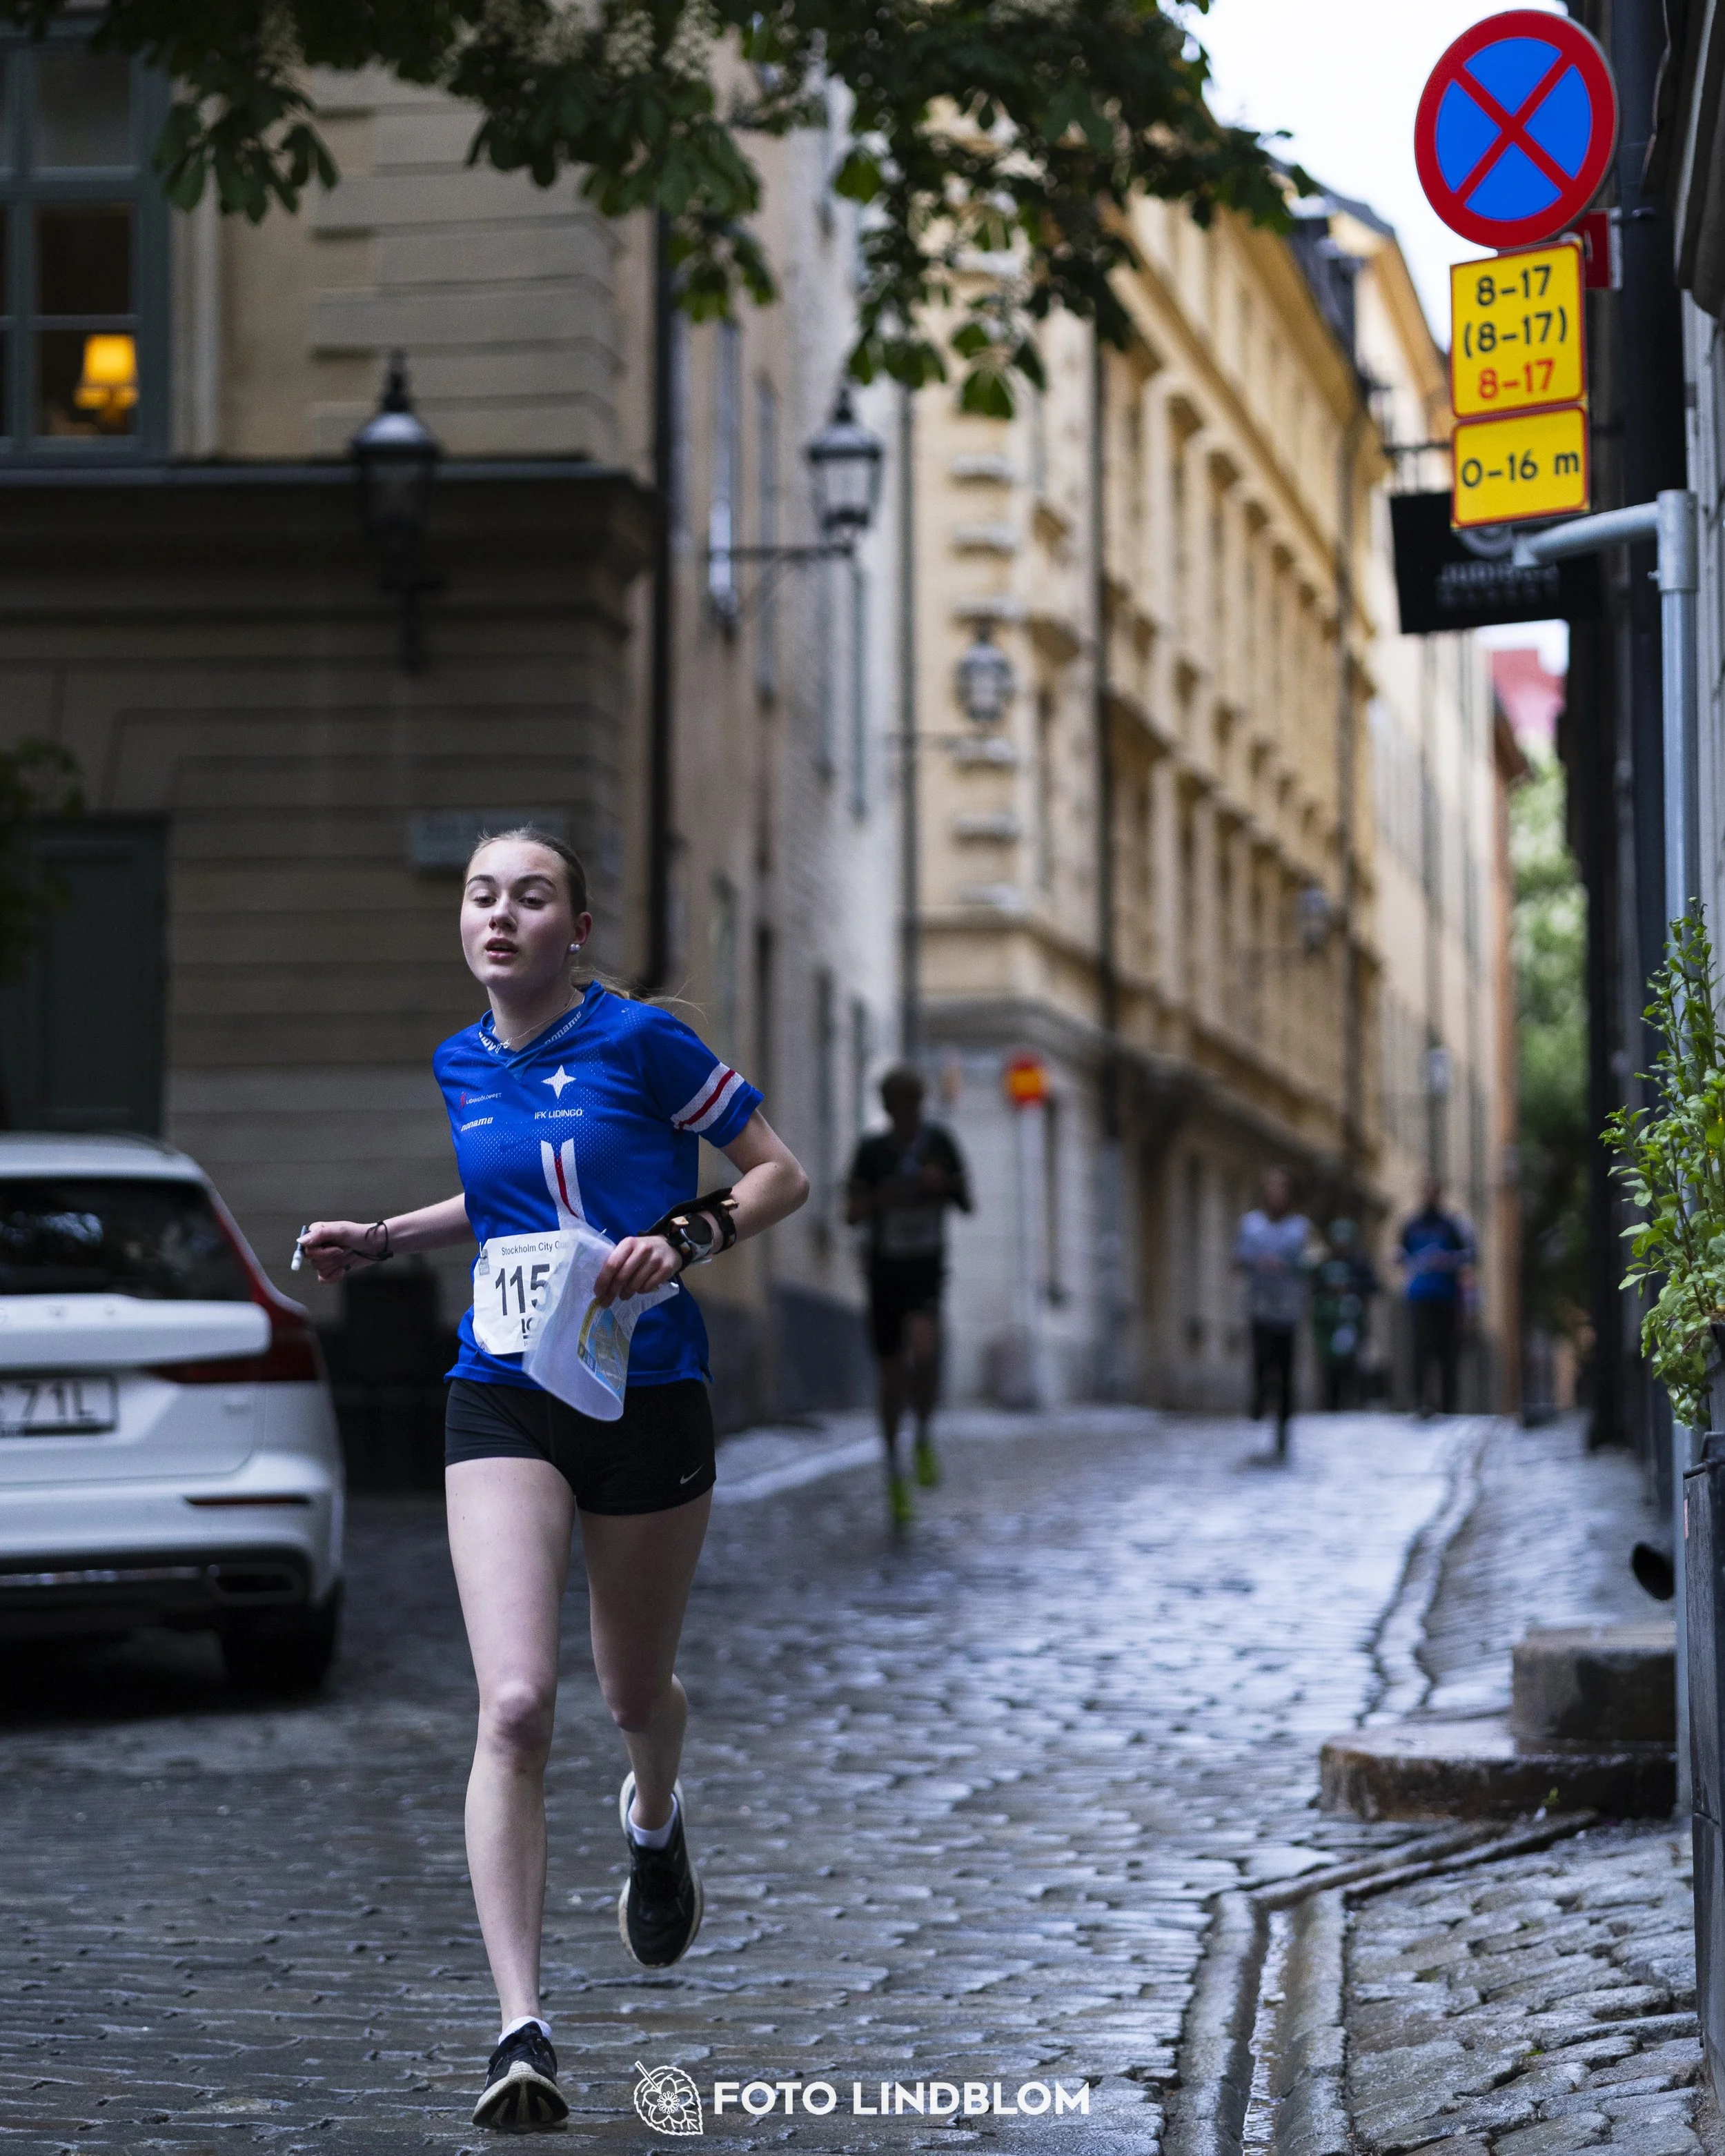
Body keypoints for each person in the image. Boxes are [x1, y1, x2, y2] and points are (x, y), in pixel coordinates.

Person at [298, 829, 808, 2133]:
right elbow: (504, 1200)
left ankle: (652, 1817)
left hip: (647, 1395)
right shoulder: (458, 1060)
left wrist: (680, 1238)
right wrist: (385, 1236)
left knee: (633, 1687)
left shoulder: (643, 1042)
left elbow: (777, 1174)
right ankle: (519, 2028)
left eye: (532, 897)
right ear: (463, 924)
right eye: (483, 896)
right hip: (505, 1387)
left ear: (575, 929)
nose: (502, 915)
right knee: (517, 1701)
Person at [846, 1065, 972, 1525]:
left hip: (926, 1270)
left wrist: (944, 1185)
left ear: (921, 1106)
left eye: (912, 1106)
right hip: (883, 1272)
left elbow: (966, 1201)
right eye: (897, 1107)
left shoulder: (940, 1144)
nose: (905, 1115)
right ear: (886, 1108)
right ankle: (894, 1463)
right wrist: (880, 1197)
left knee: (926, 1350)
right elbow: (851, 1212)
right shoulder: (873, 1151)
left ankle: (922, 1432)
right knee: (892, 1373)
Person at [1231, 1167, 1313, 1461]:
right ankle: (1259, 1402)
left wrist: (1290, 1266)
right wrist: (1256, 1261)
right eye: (1272, 1189)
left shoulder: (1300, 1227)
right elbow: (1236, 1258)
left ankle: (1283, 1428)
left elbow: (1312, 1260)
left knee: (1286, 1368)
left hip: (1289, 1310)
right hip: (1260, 1305)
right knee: (1262, 1361)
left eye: (1282, 1190)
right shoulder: (1251, 1225)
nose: (1277, 1195)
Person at [1399, 1176, 1476, 1416]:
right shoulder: (1411, 1225)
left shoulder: (1452, 1225)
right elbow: (1400, 1253)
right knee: (1422, 1349)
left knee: (1447, 1351)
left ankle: (1449, 1404)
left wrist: (1448, 1261)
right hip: (1419, 1295)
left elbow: (1470, 1255)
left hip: (1447, 1296)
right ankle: (1422, 1401)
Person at [1310, 1217, 1378, 1412]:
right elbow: (1316, 1288)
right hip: (1329, 1325)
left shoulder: (1359, 1261)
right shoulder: (1325, 1262)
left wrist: (1353, 1292)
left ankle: (1354, 1404)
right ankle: (1329, 1406)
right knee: (1329, 1373)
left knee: (1353, 1369)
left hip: (1352, 1322)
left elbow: (1373, 1286)